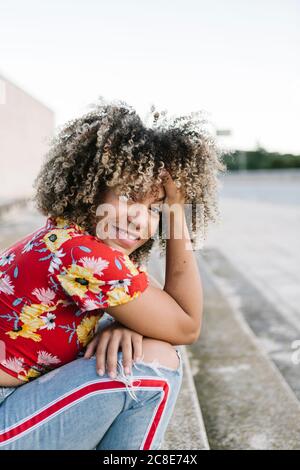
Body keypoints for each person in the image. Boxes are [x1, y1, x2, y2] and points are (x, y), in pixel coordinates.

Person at [0, 98, 226, 449]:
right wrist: (178, 213)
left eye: (156, 209)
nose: (140, 218)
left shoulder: (65, 235)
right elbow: (186, 325)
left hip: (14, 400)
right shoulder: (82, 254)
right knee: (157, 369)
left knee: (146, 350)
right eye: (129, 196)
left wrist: (120, 322)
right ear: (92, 190)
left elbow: (153, 308)